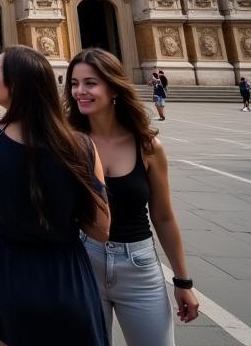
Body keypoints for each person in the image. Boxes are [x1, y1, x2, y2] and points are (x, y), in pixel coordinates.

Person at [0, 46, 111, 346]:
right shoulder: (80, 145)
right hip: (66, 273)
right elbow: (101, 228)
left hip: (9, 272)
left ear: (19, 83)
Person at [67, 48, 200, 343]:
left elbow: (164, 217)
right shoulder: (68, 142)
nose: (80, 92)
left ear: (114, 87)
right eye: (74, 84)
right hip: (83, 260)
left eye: (90, 83)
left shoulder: (148, 146)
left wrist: (183, 281)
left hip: (138, 266)